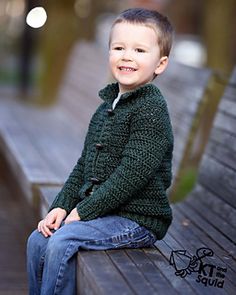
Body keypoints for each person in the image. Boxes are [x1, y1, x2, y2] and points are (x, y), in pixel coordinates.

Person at [27, 7, 174, 295]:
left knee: (63, 240)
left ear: (160, 63)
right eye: (118, 47)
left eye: (140, 50)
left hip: (137, 219)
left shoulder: (151, 110)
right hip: (104, 213)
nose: (126, 56)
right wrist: (61, 205)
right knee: (38, 239)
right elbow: (84, 165)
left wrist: (84, 210)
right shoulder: (106, 107)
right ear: (108, 53)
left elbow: (132, 174)